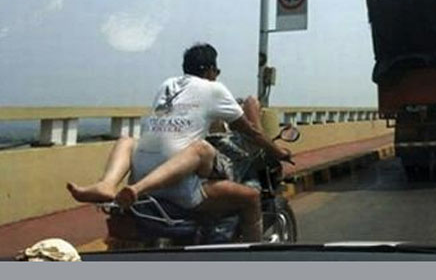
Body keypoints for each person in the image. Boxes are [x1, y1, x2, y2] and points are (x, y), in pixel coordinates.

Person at [67, 43, 290, 241]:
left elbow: (177, 122)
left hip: (141, 173)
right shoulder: (215, 90)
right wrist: (279, 152)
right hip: (179, 184)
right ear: (210, 70)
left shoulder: (167, 86)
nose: (216, 76)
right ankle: (253, 256)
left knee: (127, 140)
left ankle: (107, 184)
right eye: (216, 71)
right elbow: (252, 133)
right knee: (249, 195)